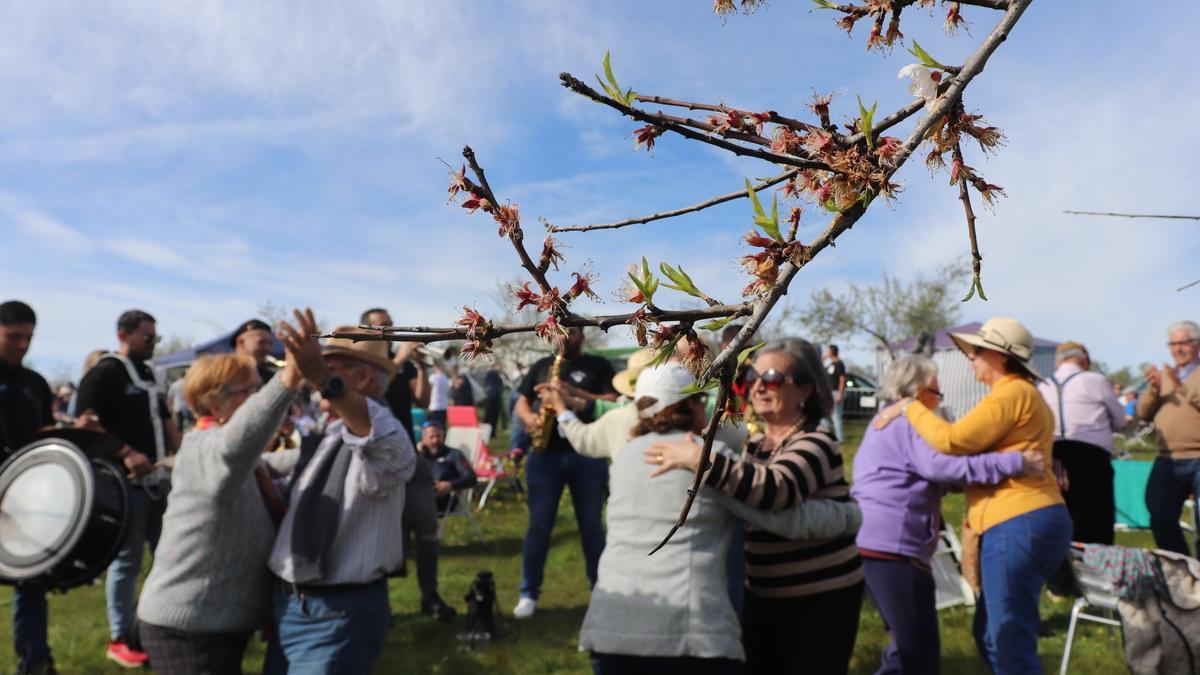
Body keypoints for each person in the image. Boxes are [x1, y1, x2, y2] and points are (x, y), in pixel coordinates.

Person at [581, 363, 863, 675]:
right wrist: (849, 515)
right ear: (691, 404)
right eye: (701, 401)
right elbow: (784, 518)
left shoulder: (626, 457)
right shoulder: (702, 459)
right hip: (685, 637)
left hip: (610, 626)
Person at [135, 312, 328, 674]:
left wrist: (335, 445)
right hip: (189, 627)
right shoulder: (203, 448)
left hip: (211, 622)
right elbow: (238, 446)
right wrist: (287, 380)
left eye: (259, 388)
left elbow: (268, 463)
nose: (257, 398)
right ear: (213, 402)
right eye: (249, 391)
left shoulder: (236, 461)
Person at [874, 317, 1069, 674]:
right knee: (991, 635)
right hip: (1025, 519)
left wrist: (909, 405)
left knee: (1008, 639)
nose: (972, 357)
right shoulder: (1021, 394)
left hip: (1016, 519)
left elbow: (952, 441)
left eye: (978, 351)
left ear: (1002, 357)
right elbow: (969, 452)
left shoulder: (1012, 392)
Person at [264, 315, 417, 674]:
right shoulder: (332, 431)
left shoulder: (385, 430)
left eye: (331, 369)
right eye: (322, 370)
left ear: (363, 378)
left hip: (338, 612)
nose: (319, 380)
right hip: (294, 605)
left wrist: (320, 377)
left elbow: (381, 441)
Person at [75, 309, 182, 668]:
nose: (153, 343)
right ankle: (121, 636)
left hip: (159, 480)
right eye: (146, 336)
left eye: (155, 337)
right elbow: (84, 424)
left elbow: (167, 421)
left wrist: (187, 453)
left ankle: (157, 623)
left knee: (169, 555)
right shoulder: (105, 372)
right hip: (126, 484)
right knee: (128, 561)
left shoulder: (150, 373)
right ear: (124, 334)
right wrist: (125, 452)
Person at [512, 327, 617, 619]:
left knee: (592, 525)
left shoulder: (598, 365)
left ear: (583, 335)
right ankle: (528, 593)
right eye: (560, 333)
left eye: (571, 332)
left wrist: (572, 392)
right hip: (545, 456)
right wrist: (530, 417)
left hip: (588, 454)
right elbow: (522, 399)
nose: (564, 337)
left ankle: (601, 590)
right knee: (538, 526)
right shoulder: (541, 366)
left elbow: (611, 398)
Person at [0, 301, 57, 675]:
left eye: (29, 337)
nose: (23, 345)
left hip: (26, 496)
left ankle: (35, 659)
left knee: (31, 580)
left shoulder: (35, 384)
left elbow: (45, 436)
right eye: (14, 336)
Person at [1036, 341, 1125, 546]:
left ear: (1058, 362)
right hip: (1091, 456)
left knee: (1062, 517)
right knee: (1096, 520)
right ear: (1084, 360)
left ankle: (1063, 570)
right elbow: (1120, 422)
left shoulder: (1044, 385)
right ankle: (1097, 568)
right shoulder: (1095, 380)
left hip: (1055, 455)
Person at [1139, 320, 1200, 555]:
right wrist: (1155, 388)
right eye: (1173, 344)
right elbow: (1143, 412)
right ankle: (1184, 569)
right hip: (1167, 458)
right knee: (1160, 514)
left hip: (1197, 456)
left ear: (1197, 344)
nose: (1178, 349)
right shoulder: (1165, 375)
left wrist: (1181, 386)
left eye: (1184, 342)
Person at [361, 308, 430, 442]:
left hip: (405, 441)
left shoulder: (405, 364)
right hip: (377, 440)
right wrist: (401, 357)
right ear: (367, 330)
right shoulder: (363, 362)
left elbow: (423, 402)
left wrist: (421, 365)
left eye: (391, 324)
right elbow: (376, 390)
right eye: (384, 325)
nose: (391, 329)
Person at [418, 419, 478, 514]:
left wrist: (450, 484)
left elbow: (471, 478)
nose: (436, 440)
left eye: (438, 436)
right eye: (431, 437)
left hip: (442, 499)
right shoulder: (419, 456)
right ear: (423, 439)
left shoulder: (453, 454)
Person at [231, 318, 278, 384]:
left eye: (270, 344)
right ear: (241, 343)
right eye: (261, 342)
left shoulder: (272, 379)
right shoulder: (222, 375)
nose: (268, 348)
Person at [825, 344, 847, 440]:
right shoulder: (831, 364)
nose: (826, 353)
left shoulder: (839, 364)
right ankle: (827, 434)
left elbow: (842, 379)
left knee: (836, 416)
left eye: (828, 351)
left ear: (832, 352)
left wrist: (840, 393)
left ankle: (839, 438)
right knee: (824, 415)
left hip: (836, 392)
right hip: (829, 392)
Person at [481, 365, 505, 437]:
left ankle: (491, 433)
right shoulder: (492, 373)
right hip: (491, 398)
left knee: (493, 416)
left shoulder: (496, 375)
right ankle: (487, 433)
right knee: (489, 416)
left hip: (494, 397)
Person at [427, 362, 451, 426]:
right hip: (444, 407)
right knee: (442, 428)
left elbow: (427, 390)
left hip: (434, 407)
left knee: (433, 427)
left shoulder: (433, 377)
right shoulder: (446, 378)